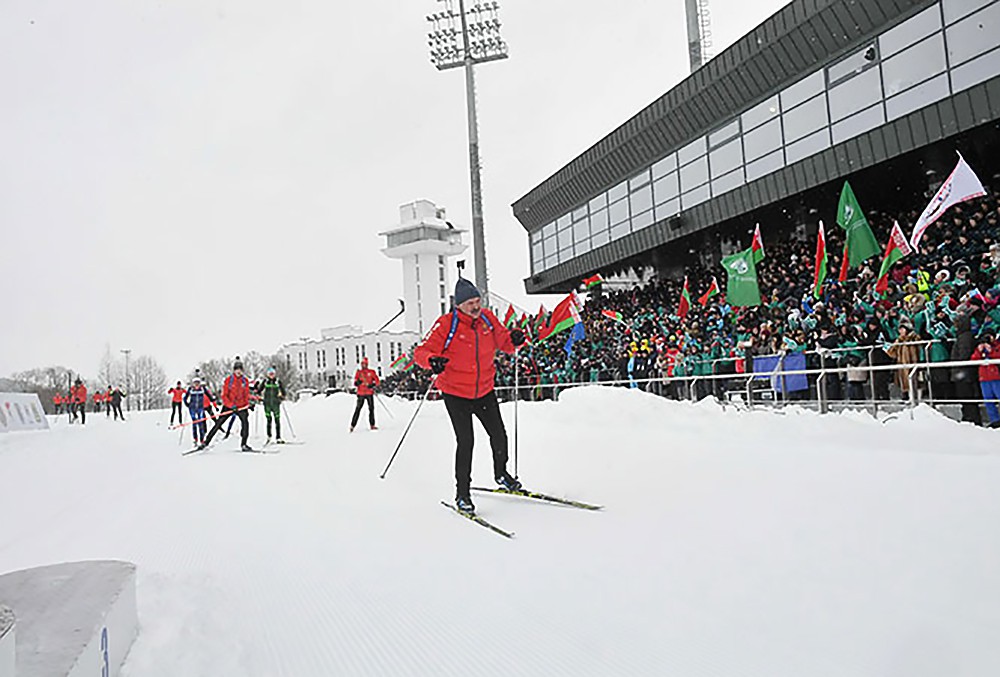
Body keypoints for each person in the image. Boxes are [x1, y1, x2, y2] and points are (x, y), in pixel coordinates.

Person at [413, 278, 527, 514]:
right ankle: (462, 493)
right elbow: (421, 351)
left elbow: (504, 342)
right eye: (470, 303)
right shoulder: (446, 324)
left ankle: (501, 474)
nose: (475, 307)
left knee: (499, 435)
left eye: (478, 301)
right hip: (456, 393)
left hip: (484, 390)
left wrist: (514, 339)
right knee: (466, 442)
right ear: (459, 305)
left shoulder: (487, 319)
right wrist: (431, 361)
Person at [199, 357, 255, 451]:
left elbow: (246, 395)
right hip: (229, 406)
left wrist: (248, 405)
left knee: (245, 423)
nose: (238, 372)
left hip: (241, 406)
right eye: (237, 370)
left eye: (240, 370)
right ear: (234, 370)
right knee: (218, 423)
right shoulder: (229, 380)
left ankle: (244, 444)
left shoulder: (245, 381)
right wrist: (231, 405)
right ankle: (206, 442)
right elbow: (224, 396)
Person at [256, 367, 286, 443]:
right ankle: (269, 436)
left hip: (276, 404)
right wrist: (259, 396)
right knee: (269, 420)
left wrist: (282, 396)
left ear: (275, 374)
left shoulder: (278, 382)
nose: (271, 375)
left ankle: (278, 437)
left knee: (277, 420)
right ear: (268, 374)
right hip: (267, 404)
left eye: (272, 374)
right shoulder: (265, 381)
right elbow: (259, 390)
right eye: (270, 374)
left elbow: (283, 391)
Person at [350, 357, 380, 432]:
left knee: (371, 409)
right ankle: (352, 425)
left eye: (365, 364)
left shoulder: (371, 372)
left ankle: (372, 425)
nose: (363, 365)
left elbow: (377, 381)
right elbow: (355, 382)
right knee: (358, 409)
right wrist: (358, 382)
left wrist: (372, 385)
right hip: (361, 393)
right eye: (362, 364)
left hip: (369, 393)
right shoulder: (359, 373)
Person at [183, 376, 214, 447]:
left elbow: (209, 395)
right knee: (194, 422)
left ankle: (202, 439)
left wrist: (213, 400)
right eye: (195, 383)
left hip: (200, 408)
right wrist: (187, 404)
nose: (196, 385)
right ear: (193, 384)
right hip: (192, 408)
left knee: (201, 423)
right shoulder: (190, 389)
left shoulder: (202, 389)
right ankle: (195, 439)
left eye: (198, 383)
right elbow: (185, 398)